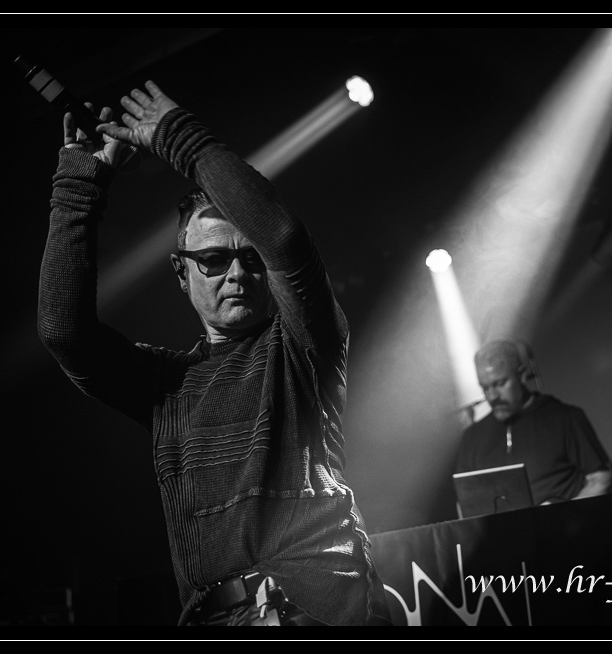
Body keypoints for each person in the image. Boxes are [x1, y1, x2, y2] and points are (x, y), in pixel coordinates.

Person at [36, 80, 390, 626]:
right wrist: (80, 180)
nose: (237, 274)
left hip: (316, 612)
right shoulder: (165, 384)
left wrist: (181, 138)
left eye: (250, 258)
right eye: (213, 260)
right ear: (181, 272)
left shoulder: (302, 343)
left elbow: (284, 240)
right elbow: (64, 332)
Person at [455, 339, 612, 506]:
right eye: (485, 388)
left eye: (500, 384)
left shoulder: (565, 418)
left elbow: (601, 479)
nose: (492, 396)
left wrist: (560, 513)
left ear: (522, 375)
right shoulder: (472, 438)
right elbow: (464, 503)